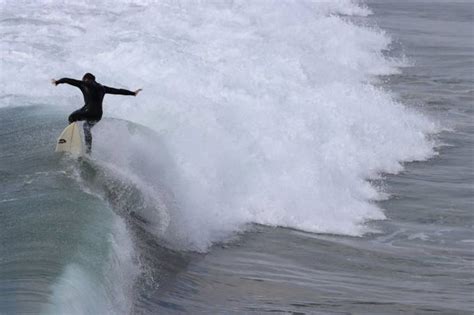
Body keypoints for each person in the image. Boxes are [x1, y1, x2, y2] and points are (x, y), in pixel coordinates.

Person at [52, 73, 142, 154]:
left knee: (72, 117)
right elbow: (118, 91)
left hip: (88, 111)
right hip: (98, 115)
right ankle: (88, 150)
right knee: (86, 127)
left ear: (85, 79)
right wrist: (132, 93)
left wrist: (58, 81)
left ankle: (70, 137)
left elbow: (68, 80)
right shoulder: (103, 88)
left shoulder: (84, 83)